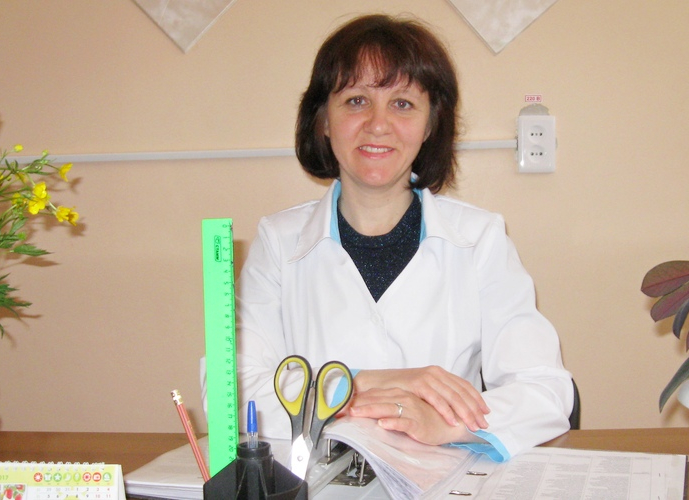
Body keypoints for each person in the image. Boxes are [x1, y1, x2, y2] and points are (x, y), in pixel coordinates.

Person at [211, 13, 573, 462]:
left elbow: (545, 389)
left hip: (441, 478)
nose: (378, 124)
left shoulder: (480, 239)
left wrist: (446, 424)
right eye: (356, 100)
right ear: (323, 120)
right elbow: (230, 392)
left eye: (402, 103)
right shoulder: (279, 242)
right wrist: (363, 383)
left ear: (430, 124)